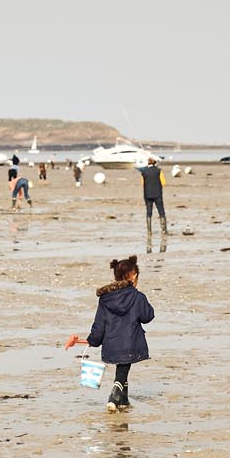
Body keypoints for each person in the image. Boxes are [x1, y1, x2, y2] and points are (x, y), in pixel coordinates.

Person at [88, 254, 154, 412]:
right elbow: (148, 316)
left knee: (122, 367)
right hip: (130, 342)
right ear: (134, 276)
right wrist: (141, 299)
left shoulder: (105, 299)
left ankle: (123, 400)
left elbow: (99, 324)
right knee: (123, 369)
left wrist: (93, 340)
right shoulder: (137, 297)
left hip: (112, 343)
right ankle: (114, 396)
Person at [139, 155, 167, 245]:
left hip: (147, 194)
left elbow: (142, 183)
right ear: (155, 163)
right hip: (157, 194)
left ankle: (149, 231)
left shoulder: (144, 172)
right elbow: (163, 182)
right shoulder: (159, 171)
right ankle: (163, 230)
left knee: (149, 212)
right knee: (161, 212)